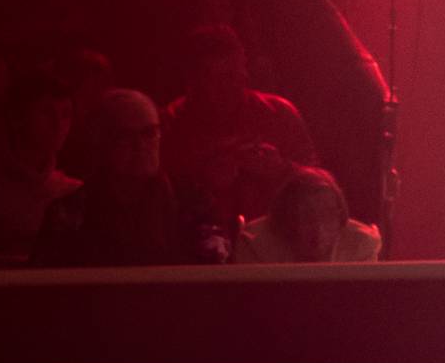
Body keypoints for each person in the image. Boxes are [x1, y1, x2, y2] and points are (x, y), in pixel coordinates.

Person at [163, 26, 318, 219]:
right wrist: (202, 182)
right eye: (223, 78)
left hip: (273, 238)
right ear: (193, 81)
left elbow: (320, 186)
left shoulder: (278, 113)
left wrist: (281, 169)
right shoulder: (173, 122)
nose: (238, 82)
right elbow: (156, 198)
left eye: (240, 72)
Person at [35, 90, 191, 267]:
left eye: (149, 133)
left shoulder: (190, 203)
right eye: (125, 136)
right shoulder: (71, 213)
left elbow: (213, 265)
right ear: (102, 141)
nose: (140, 145)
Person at [0, 73, 80, 265]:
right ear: (17, 118)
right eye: (47, 113)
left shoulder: (74, 192)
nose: (58, 124)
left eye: (66, 114)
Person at [234, 165, 382, 263]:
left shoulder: (362, 245)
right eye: (306, 216)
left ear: (341, 215)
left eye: (328, 214)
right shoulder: (255, 244)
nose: (319, 228)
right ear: (285, 217)